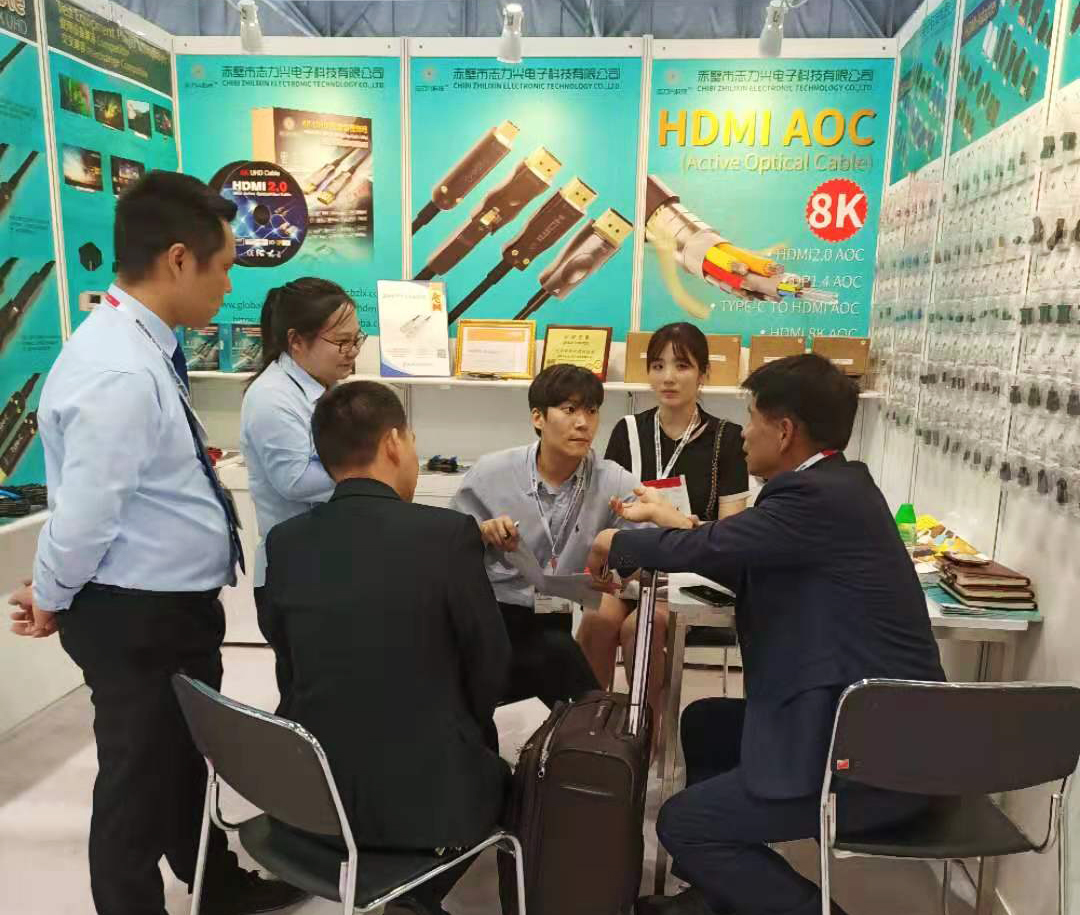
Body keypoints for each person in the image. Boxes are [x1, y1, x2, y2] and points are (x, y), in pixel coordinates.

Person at [8, 172, 304, 914]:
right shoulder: (118, 368)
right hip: (136, 613)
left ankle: (212, 881)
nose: (229, 284)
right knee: (138, 777)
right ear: (178, 259)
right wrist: (52, 594)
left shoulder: (138, 345)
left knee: (182, 757)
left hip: (165, 607)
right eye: (224, 265)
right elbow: (87, 512)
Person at [586, 354, 947, 915]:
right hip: (866, 728)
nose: (743, 434)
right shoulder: (836, 485)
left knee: (685, 824)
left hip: (874, 761)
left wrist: (618, 543)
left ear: (784, 431)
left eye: (751, 418)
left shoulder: (817, 497)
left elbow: (716, 546)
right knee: (707, 723)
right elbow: (737, 551)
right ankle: (719, 895)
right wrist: (670, 529)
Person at [261, 380, 511, 915]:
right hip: (425, 805)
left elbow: (289, 665)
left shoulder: (285, 543)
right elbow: (490, 665)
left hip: (310, 798)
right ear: (394, 442)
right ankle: (413, 896)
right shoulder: (448, 535)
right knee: (500, 774)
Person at [450, 363, 646, 706]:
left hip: (554, 614)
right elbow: (448, 546)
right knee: (557, 661)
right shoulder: (492, 472)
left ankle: (589, 726)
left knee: (557, 655)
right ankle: (592, 723)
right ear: (538, 417)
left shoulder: (612, 480)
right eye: (569, 410)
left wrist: (616, 568)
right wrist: (481, 533)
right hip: (491, 613)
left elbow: (646, 546)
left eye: (592, 411)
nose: (583, 423)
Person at [592, 321, 750, 698]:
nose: (668, 377)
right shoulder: (628, 430)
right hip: (631, 569)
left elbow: (731, 535)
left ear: (703, 374)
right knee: (596, 623)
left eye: (682, 366)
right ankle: (593, 725)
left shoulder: (728, 438)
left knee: (639, 629)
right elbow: (608, 512)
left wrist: (676, 522)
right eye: (658, 366)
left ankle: (647, 728)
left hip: (691, 573)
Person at [240, 277, 363, 700]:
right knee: (306, 694)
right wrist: (369, 471)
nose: (352, 352)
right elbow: (294, 481)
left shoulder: (323, 389)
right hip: (294, 575)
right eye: (341, 342)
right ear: (296, 341)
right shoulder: (272, 398)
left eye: (356, 340)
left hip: (329, 563)